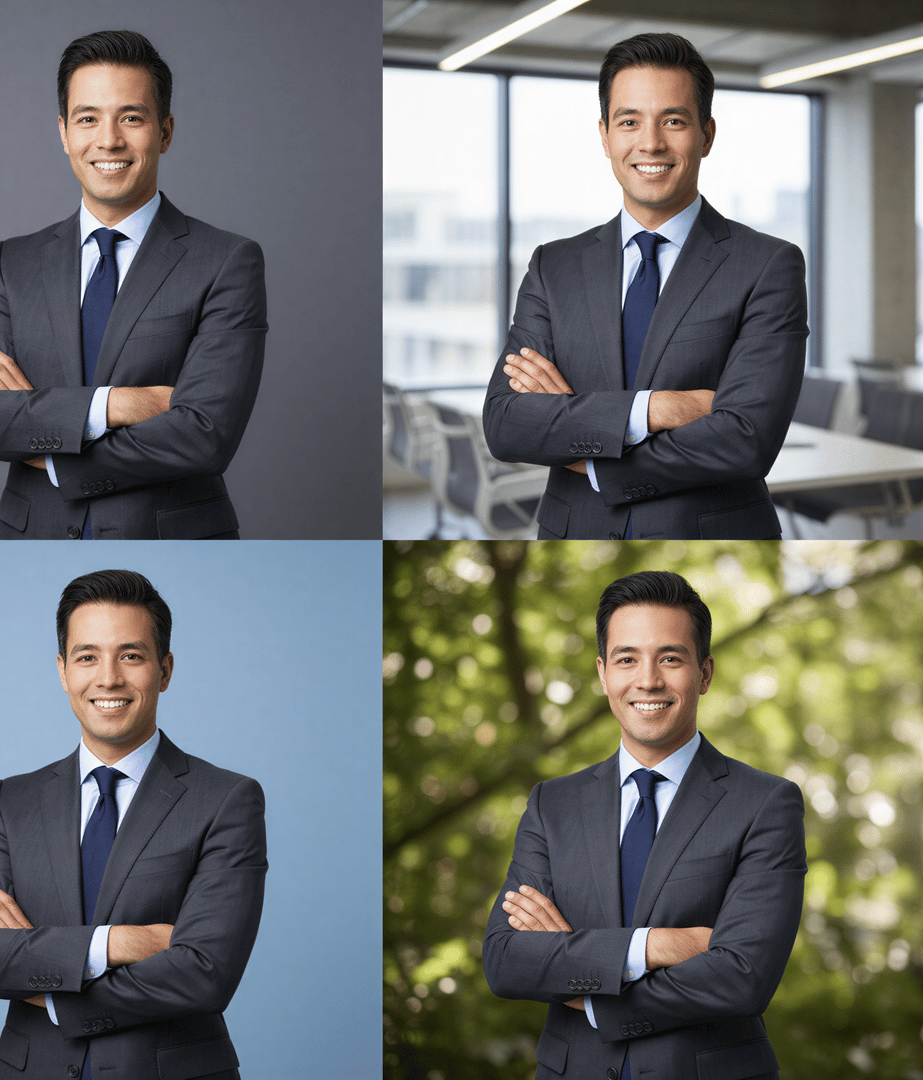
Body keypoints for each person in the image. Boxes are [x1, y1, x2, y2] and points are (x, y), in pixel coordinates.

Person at [0, 30, 267, 539]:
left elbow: (205, 436)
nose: (109, 140)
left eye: (131, 117)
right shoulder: (14, 263)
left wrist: (51, 451)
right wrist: (116, 404)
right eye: (88, 118)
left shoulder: (227, 261)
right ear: (64, 132)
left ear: (165, 131)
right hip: (32, 544)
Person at [482, 33, 807, 539]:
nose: (650, 143)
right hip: (571, 537)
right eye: (629, 121)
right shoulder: (554, 266)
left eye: (673, 121)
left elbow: (747, 439)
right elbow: (506, 424)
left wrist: (590, 454)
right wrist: (657, 408)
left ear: (706, 134)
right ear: (605, 135)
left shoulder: (768, 265)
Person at [0, 569, 266, 1079]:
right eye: (87, 656)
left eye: (131, 655)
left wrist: (48, 986)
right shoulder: (13, 801)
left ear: (165, 670)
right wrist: (115, 944)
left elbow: (205, 974)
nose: (109, 678)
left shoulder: (227, 800)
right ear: (62, 670)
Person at [482, 571, 806, 1080]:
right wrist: (656, 946)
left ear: (704, 673)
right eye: (626, 658)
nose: (648, 680)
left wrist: (591, 996)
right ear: (603, 673)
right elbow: (505, 959)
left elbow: (744, 976)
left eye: (670, 658)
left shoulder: (766, 804)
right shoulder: (553, 805)